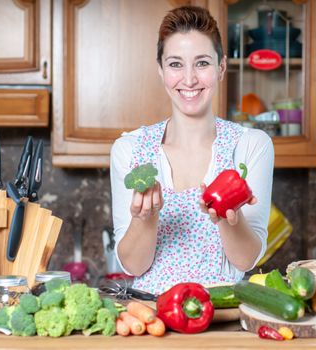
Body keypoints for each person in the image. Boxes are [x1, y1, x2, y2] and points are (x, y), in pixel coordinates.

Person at [110, 5, 274, 294]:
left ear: (221, 67)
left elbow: (247, 259)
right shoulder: (130, 149)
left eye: (201, 63)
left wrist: (226, 218)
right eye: (175, 64)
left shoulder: (250, 146)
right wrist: (145, 219)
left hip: (224, 321)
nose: (189, 79)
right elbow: (133, 266)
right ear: (160, 70)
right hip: (152, 320)